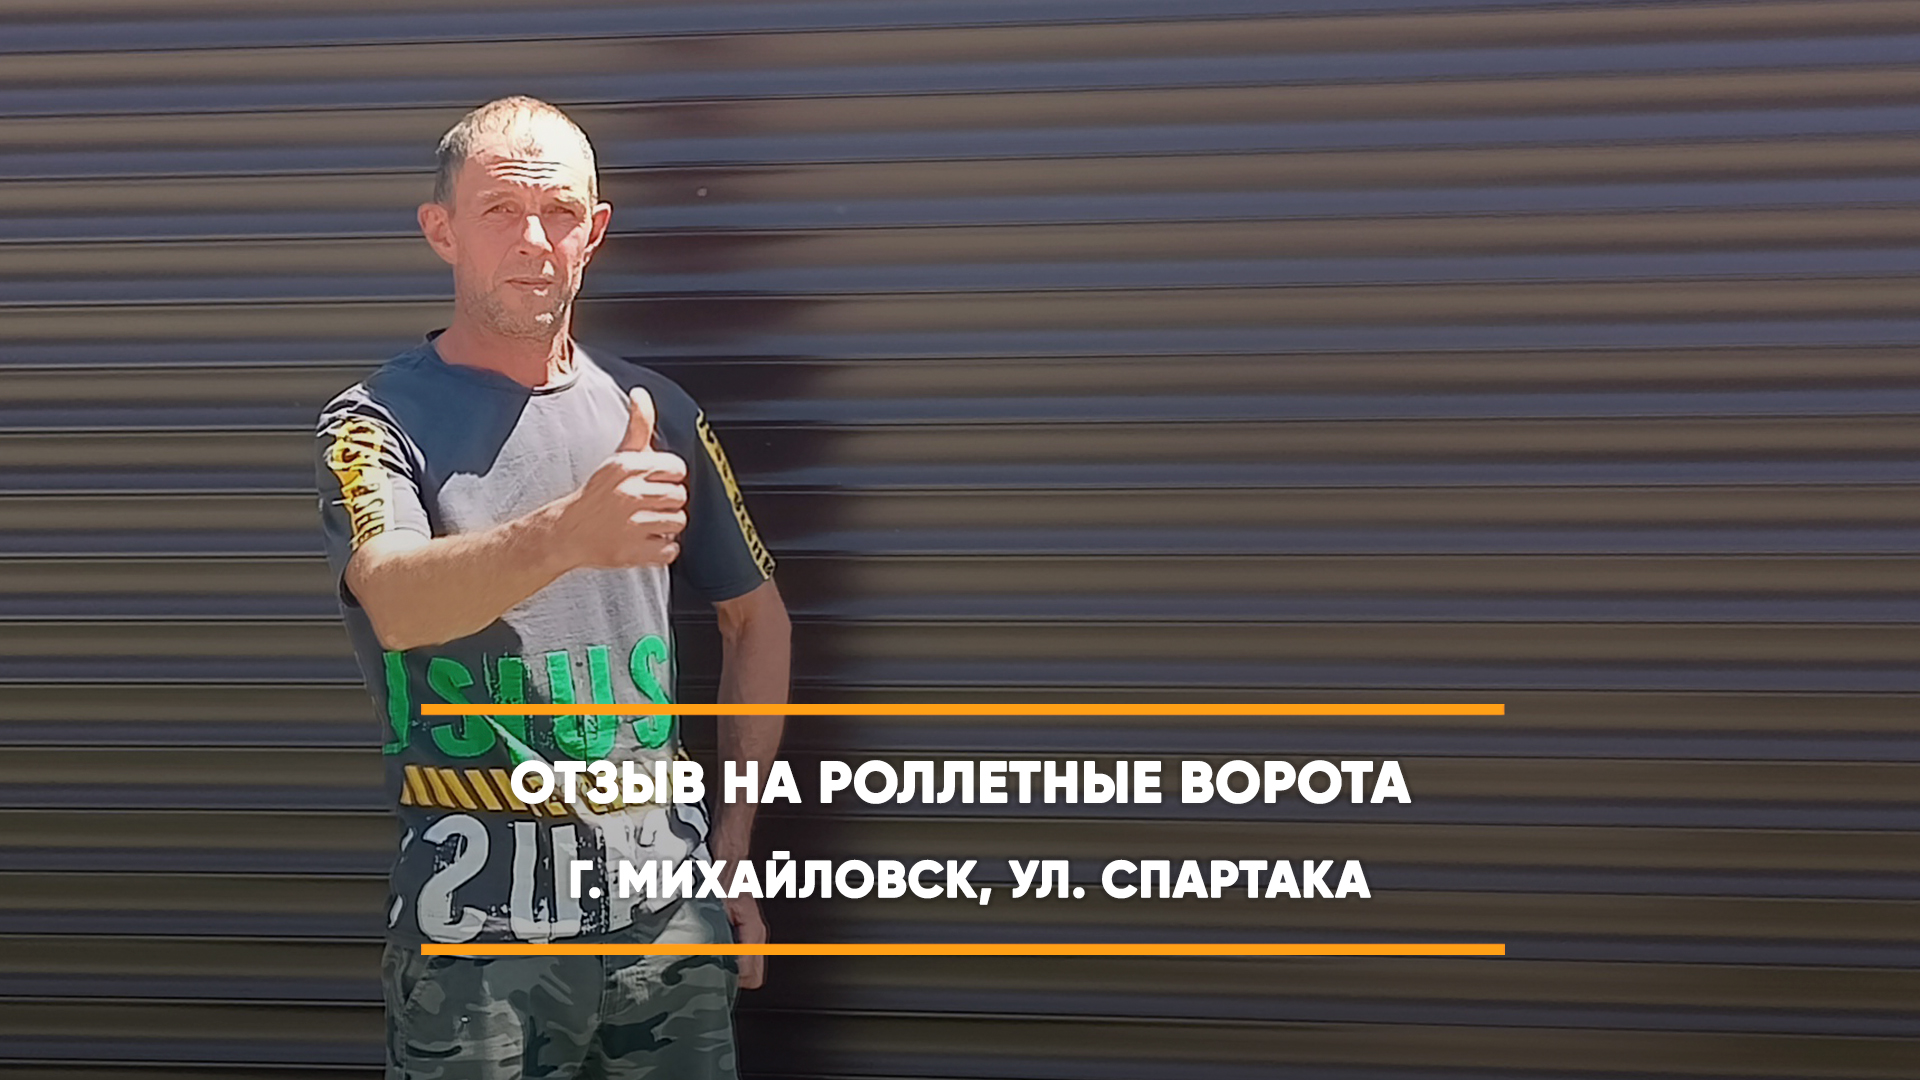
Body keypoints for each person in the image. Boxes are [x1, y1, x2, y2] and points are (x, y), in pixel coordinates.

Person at [314, 96, 790, 1079]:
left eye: (561, 212)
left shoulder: (658, 412)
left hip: (670, 927)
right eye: (501, 211)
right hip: (475, 944)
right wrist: (570, 533)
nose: (535, 239)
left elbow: (758, 621)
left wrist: (734, 846)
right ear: (441, 229)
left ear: (595, 232)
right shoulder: (372, 423)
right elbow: (394, 601)